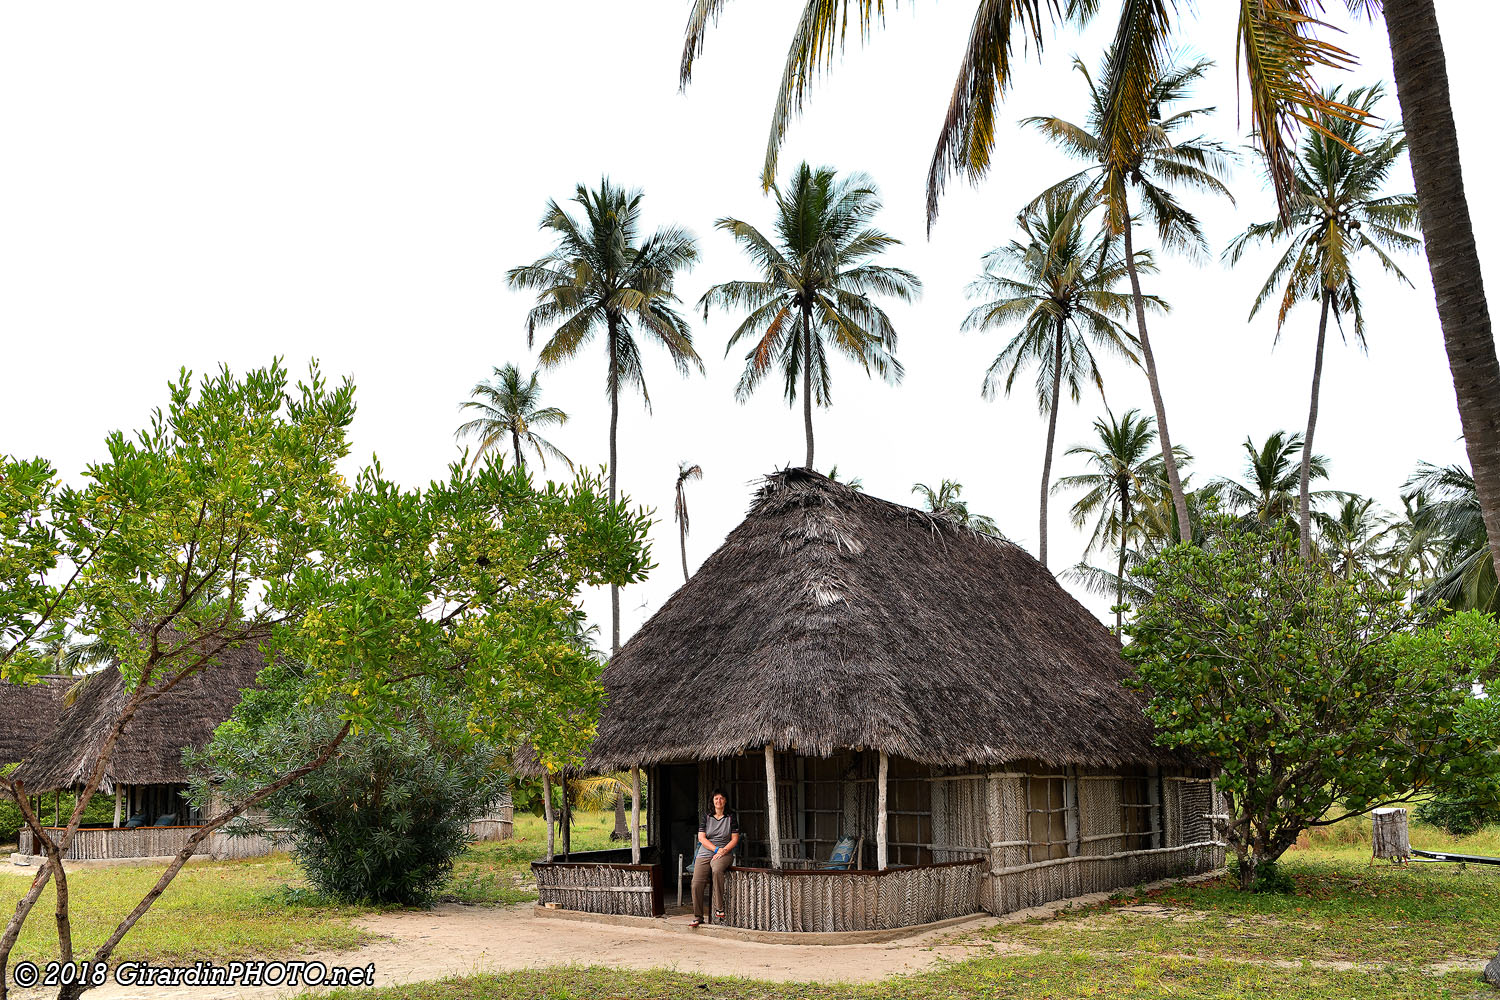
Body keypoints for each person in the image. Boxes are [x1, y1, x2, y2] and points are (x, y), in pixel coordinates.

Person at [690, 788, 739, 927]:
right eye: (716, 798)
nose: (719, 801)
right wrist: (715, 849)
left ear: (726, 801)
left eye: (722, 798)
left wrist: (722, 851)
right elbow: (701, 838)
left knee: (717, 869)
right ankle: (698, 916)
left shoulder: (731, 817)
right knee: (696, 883)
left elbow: (735, 839)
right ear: (713, 801)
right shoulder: (707, 816)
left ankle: (719, 908)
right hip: (706, 852)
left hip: (725, 852)